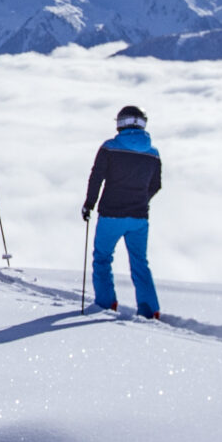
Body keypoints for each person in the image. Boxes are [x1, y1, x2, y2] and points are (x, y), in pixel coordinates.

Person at [81, 104, 162, 319]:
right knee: (139, 262)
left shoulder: (109, 147)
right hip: (139, 218)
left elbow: (96, 178)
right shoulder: (153, 153)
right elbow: (156, 185)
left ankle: (106, 303)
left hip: (111, 215)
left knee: (102, 258)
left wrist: (89, 204)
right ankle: (149, 309)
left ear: (120, 123)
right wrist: (140, 200)